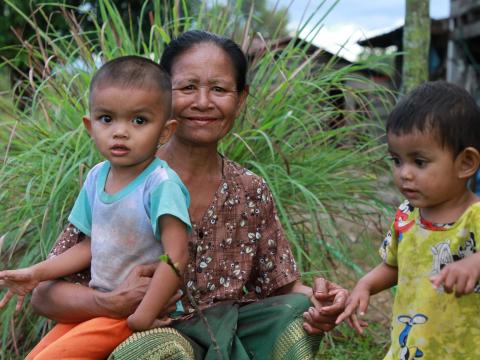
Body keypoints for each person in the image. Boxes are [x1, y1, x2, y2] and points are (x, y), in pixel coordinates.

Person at [30, 31, 348, 359]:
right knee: (159, 349)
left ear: (240, 99)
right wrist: (111, 303)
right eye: (187, 87)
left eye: (220, 89)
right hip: (139, 335)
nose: (203, 102)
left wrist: (324, 300)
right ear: (162, 97)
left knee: (297, 311)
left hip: (223, 335)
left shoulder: (249, 190)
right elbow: (43, 296)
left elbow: (283, 289)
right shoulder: (120, 180)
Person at [0, 56, 192, 359]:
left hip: (138, 311)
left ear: (165, 132)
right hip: (103, 304)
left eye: (139, 120)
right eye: (107, 119)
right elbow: (90, 245)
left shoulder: (161, 184)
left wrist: (142, 315)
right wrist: (35, 273)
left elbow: (177, 254)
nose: (120, 131)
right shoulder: (96, 177)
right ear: (90, 126)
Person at [336, 81, 480, 359]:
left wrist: (474, 263)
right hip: (411, 347)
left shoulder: (475, 217)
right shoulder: (407, 214)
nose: (405, 174)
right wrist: (365, 284)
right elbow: (396, 265)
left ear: (465, 163)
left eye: (420, 162)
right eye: (397, 161)